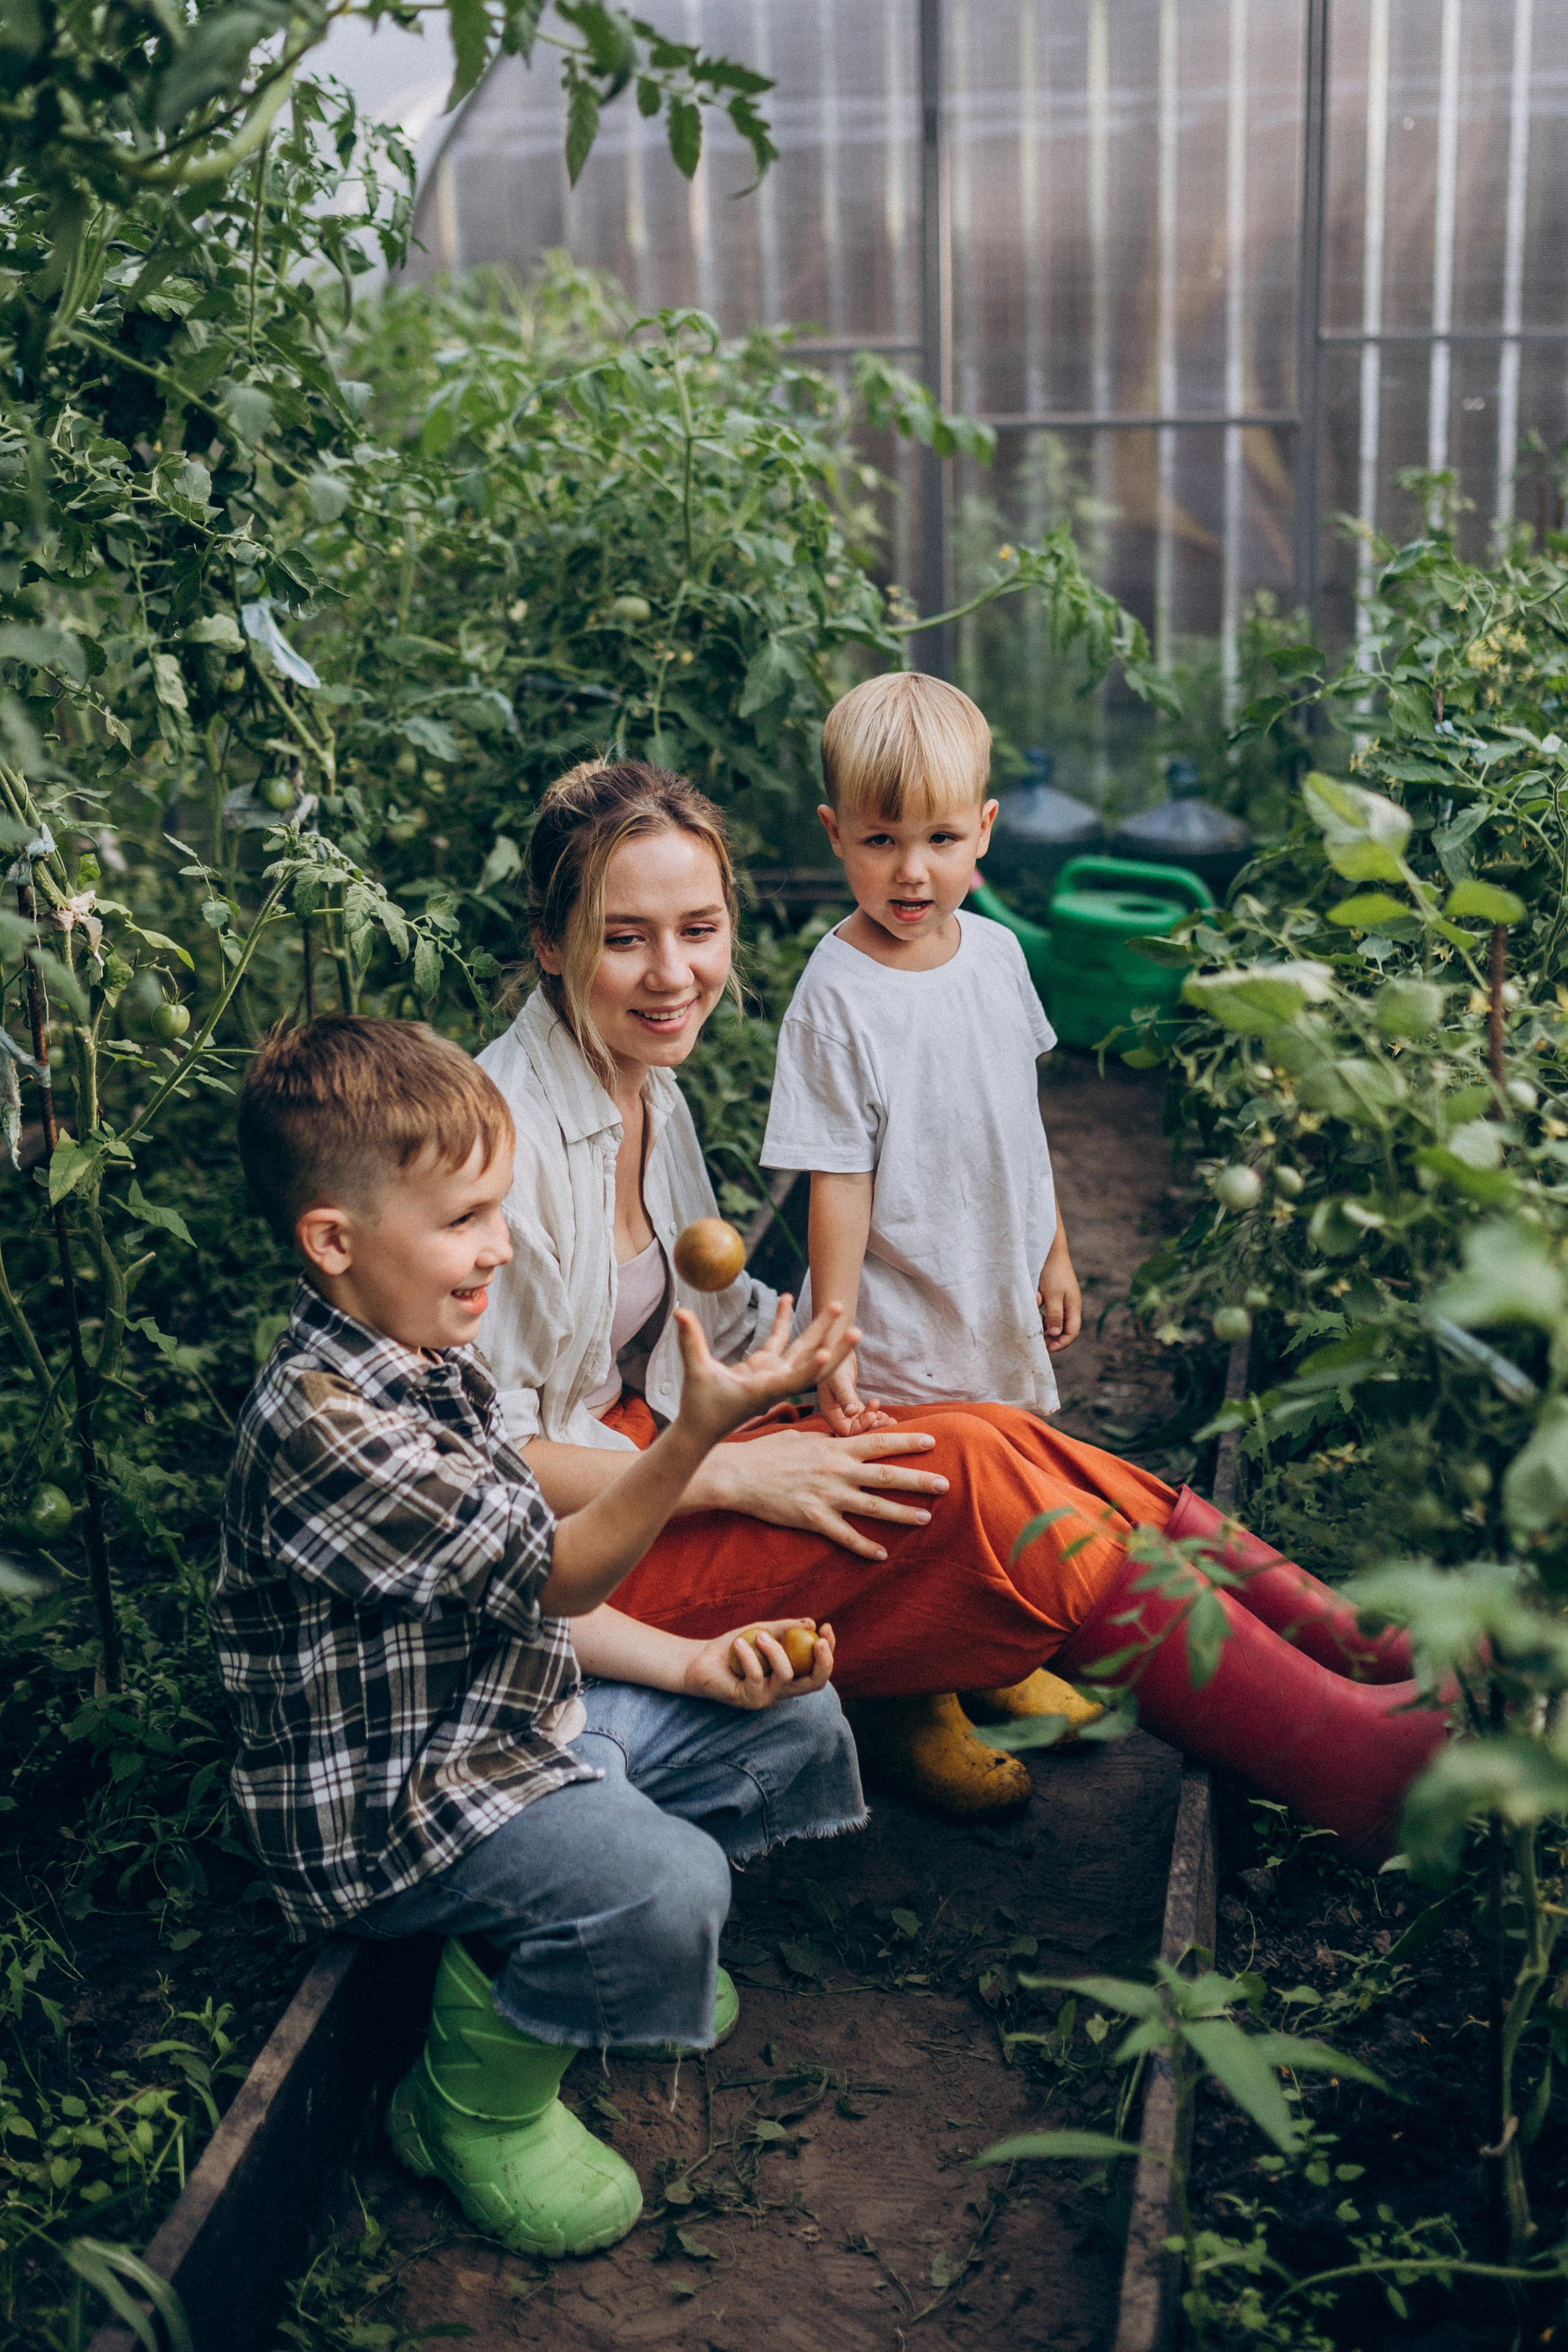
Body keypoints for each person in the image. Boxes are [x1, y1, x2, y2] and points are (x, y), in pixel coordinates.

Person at [475, 756, 1449, 1847]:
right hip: (574, 1570)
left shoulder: (641, 1084)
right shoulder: (503, 1149)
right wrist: (734, 1467)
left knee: (995, 1437)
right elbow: (480, 1464)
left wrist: (828, 1352)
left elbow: (700, 1316)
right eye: (623, 938)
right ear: (550, 945)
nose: (672, 974)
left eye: (698, 930)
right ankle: (1346, 1759)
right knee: (978, 1494)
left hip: (654, 1462)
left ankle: (1362, 1654)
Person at [213, 1014, 869, 2261]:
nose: (499, 1249)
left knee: (789, 1715)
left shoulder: (424, 1359)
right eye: (464, 1220)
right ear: (333, 1241)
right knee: (672, 1884)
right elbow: (563, 1569)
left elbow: (524, 1603)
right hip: (395, 1809)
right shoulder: (329, 1432)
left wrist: (689, 1664)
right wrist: (692, 1440)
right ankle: (467, 2109)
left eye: (497, 1211)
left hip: (495, 1717)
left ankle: (606, 1940)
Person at [761, 669, 1080, 1436]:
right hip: (893, 1333)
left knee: (994, 1459)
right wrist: (832, 1341)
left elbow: (1022, 1127)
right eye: (881, 840)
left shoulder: (998, 954)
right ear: (836, 833)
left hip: (991, 1286)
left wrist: (1054, 1253)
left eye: (941, 838)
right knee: (923, 1485)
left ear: (984, 827)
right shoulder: (837, 997)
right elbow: (837, 1184)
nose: (912, 870)